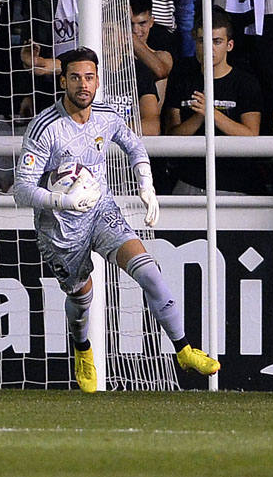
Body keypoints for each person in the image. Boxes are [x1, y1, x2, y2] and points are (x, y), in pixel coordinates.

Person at [12, 46, 220, 393]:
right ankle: (82, 348)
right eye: (75, 77)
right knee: (81, 300)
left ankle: (183, 349)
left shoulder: (106, 116)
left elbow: (135, 146)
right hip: (60, 228)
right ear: (63, 80)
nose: (83, 84)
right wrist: (63, 199)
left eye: (90, 77)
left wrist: (146, 186)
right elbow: (21, 189)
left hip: (101, 212)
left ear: (98, 80)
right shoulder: (45, 127)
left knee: (150, 271)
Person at [162, 10, 264, 194]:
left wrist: (212, 113)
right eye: (202, 41)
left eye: (217, 41)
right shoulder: (182, 80)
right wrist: (199, 117)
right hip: (188, 181)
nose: (209, 48)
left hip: (234, 184)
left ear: (229, 45)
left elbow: (251, 135)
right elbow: (171, 136)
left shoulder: (245, 82)